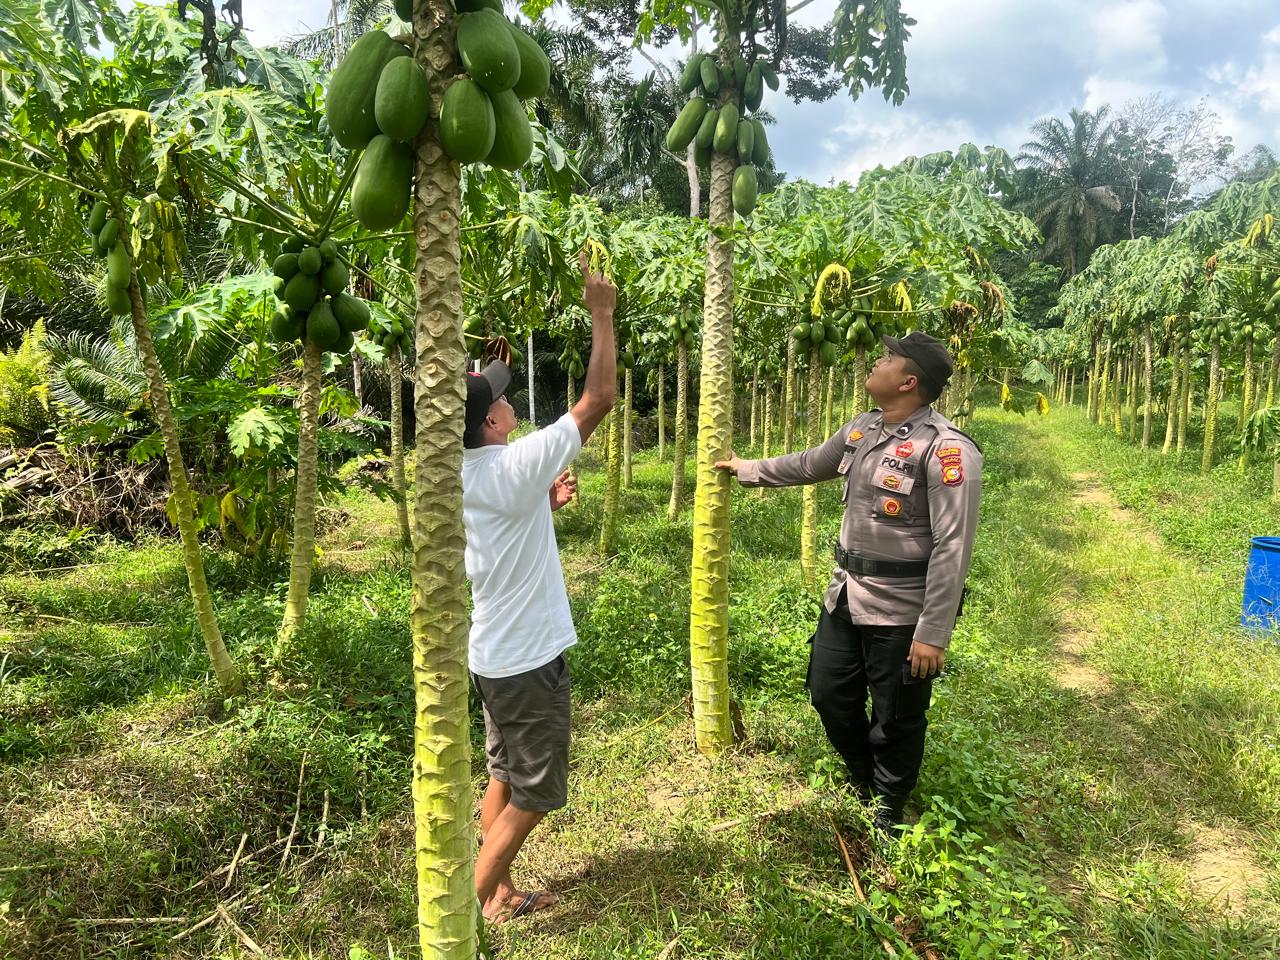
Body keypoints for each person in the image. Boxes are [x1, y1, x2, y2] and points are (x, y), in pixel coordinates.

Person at [716, 332, 982, 836]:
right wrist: (747, 469)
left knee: (896, 715)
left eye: (887, 358)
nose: (876, 362)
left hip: (903, 610)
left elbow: (953, 545)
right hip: (845, 594)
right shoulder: (863, 430)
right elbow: (810, 464)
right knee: (827, 693)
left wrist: (933, 632)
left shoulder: (946, 451)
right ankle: (863, 775)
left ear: (908, 381)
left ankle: (887, 804)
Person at [462, 252, 617, 922]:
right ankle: (466, 908)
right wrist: (602, 316)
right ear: (492, 421)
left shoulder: (464, 472)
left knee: (502, 773)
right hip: (527, 661)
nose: (507, 398)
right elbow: (598, 400)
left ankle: (499, 896)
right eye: (499, 396)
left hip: (492, 657)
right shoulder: (515, 463)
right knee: (534, 793)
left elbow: (497, 534)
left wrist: (542, 507)